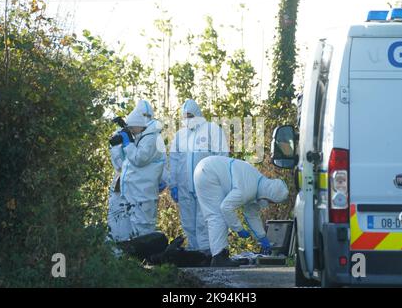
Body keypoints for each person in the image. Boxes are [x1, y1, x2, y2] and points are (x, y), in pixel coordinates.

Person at [194, 156, 289, 267]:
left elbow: (252, 214)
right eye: (271, 202)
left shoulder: (257, 186)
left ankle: (213, 255)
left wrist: (262, 236)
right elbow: (226, 207)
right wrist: (238, 228)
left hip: (206, 170)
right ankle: (219, 257)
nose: (269, 204)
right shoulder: (248, 189)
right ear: (269, 195)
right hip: (209, 173)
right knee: (217, 217)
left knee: (215, 217)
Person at [169, 99, 229, 254]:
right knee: (188, 221)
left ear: (197, 114)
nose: (187, 119)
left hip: (207, 186)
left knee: (205, 220)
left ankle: (206, 251)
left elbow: (222, 156)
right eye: (184, 116)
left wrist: (221, 182)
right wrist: (173, 184)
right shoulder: (180, 136)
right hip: (184, 186)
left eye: (190, 115)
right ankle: (194, 252)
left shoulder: (212, 130)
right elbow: (174, 161)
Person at [119, 109, 166, 237]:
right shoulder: (144, 137)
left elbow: (139, 159)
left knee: (144, 228)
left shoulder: (151, 138)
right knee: (135, 229)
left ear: (140, 124)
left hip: (143, 193)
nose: (132, 131)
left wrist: (128, 144)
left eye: (132, 127)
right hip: (138, 192)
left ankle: (145, 256)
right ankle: (138, 256)